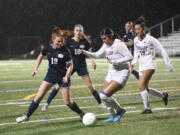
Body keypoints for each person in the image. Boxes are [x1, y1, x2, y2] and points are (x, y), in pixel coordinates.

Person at [16, 27, 85, 123]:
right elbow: (40, 56)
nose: (60, 44)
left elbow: (71, 65)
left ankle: (81, 113)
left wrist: (67, 76)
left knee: (67, 102)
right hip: (51, 75)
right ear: (53, 40)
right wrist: (36, 69)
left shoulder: (66, 50)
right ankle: (27, 116)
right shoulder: (47, 48)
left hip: (63, 78)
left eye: (62, 42)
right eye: (58, 42)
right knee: (38, 97)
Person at [41, 24, 104, 112]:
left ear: (82, 32)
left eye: (80, 30)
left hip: (82, 66)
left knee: (90, 86)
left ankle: (100, 103)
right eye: (77, 30)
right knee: (59, 86)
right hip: (71, 66)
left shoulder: (85, 42)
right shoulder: (69, 41)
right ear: (74, 31)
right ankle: (47, 103)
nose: (78, 32)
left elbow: (90, 52)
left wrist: (93, 61)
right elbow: (62, 49)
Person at [78, 27, 133, 123]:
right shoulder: (105, 45)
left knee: (103, 96)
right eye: (102, 39)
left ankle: (120, 110)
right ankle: (112, 116)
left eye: (105, 38)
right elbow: (97, 55)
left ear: (110, 36)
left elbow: (130, 57)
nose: (103, 41)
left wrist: (116, 61)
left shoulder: (119, 44)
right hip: (112, 72)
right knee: (104, 96)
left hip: (122, 73)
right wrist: (84, 52)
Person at [130, 17, 174, 114]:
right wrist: (133, 63)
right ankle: (163, 96)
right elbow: (136, 52)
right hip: (142, 66)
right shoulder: (136, 40)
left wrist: (168, 63)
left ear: (144, 29)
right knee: (145, 88)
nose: (137, 31)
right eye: (136, 29)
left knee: (141, 85)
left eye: (139, 29)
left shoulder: (150, 39)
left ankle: (147, 109)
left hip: (150, 65)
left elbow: (161, 49)